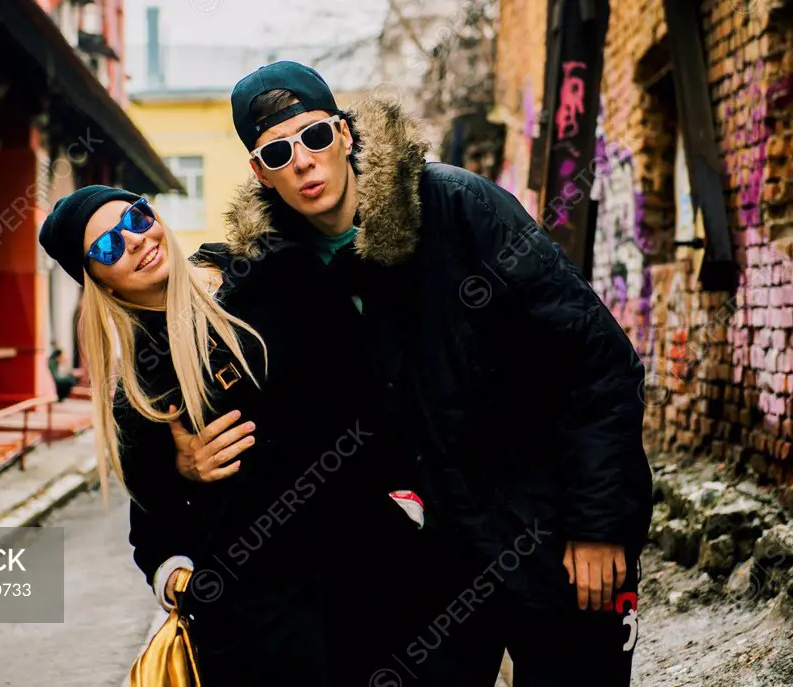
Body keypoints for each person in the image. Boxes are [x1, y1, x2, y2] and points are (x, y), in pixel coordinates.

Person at [169, 61, 654, 685]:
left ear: (344, 134)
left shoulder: (459, 208)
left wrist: (598, 524)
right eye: (278, 151)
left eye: (315, 137)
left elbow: (596, 360)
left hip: (553, 527)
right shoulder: (272, 279)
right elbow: (175, 376)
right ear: (261, 172)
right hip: (431, 567)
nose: (304, 161)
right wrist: (176, 462)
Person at [37, 185, 426, 686]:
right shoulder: (141, 390)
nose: (133, 240)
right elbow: (153, 530)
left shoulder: (266, 270)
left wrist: (407, 497)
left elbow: (366, 379)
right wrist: (183, 571)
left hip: (368, 571)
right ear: (98, 281)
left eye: (135, 217)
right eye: (107, 247)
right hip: (259, 629)